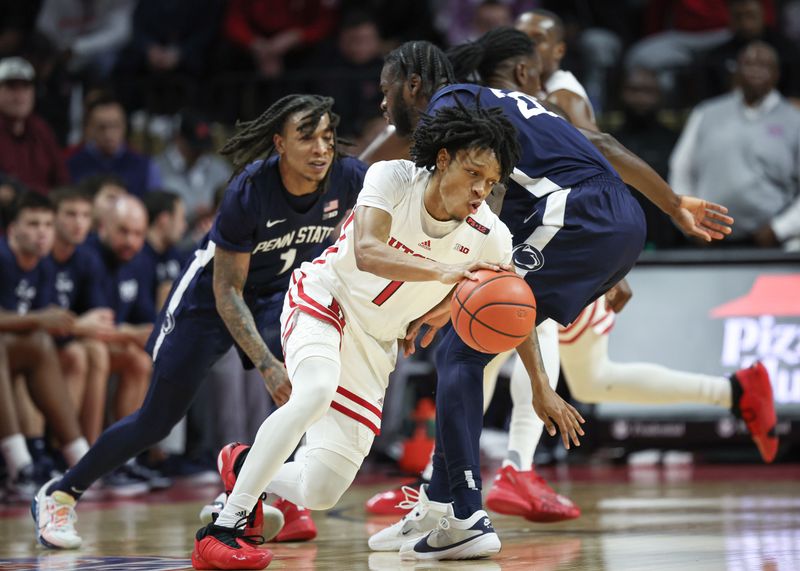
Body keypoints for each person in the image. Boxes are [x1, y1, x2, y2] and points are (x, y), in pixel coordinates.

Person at [364, 40, 749, 561]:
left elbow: (481, 204)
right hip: (617, 217)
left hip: (572, 214)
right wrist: (672, 205)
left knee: (459, 348)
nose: (383, 106)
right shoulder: (497, 101)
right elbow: (605, 144)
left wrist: (443, 289)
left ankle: (466, 515)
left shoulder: (449, 107)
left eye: (386, 92)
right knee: (469, 337)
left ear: (412, 85)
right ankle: (437, 502)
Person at [192, 100, 526, 570]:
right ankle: (224, 527)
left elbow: (507, 302)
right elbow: (368, 250)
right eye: (474, 173)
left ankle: (244, 464)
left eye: (491, 183)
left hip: (376, 342)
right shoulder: (392, 178)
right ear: (445, 157)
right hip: (327, 299)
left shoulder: (491, 234)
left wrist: (438, 310)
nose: (480, 190)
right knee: (314, 391)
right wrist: (449, 273)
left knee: (321, 491)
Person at [31, 94, 367, 552]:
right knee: (156, 420)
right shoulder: (249, 191)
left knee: (310, 383)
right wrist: (266, 364)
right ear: (279, 144)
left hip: (278, 294)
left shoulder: (347, 177)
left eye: (327, 137)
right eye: (306, 137)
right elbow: (227, 292)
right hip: (209, 301)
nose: (321, 149)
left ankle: (260, 491)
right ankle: (60, 493)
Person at [0, 192, 90, 499]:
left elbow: (41, 325)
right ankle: (19, 465)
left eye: (48, 224)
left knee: (40, 344)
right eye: (34, 223)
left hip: (12, 352)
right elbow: (37, 318)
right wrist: (42, 318)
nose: (43, 232)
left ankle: (81, 460)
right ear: (13, 230)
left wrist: (46, 321)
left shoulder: (43, 266)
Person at [670, 41, 800, 247]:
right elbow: (681, 169)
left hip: (772, 242)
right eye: (749, 63)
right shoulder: (706, 112)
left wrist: (781, 228)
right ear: (736, 71)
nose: (756, 69)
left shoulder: (794, 119)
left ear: (777, 74)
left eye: (764, 65)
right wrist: (688, 220)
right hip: (708, 238)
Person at [48, 187, 115, 444]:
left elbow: (101, 318)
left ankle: (90, 453)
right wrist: (78, 325)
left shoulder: (86, 258)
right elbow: (40, 317)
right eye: (71, 214)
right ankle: (60, 448)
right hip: (41, 341)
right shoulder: (42, 256)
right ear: (53, 217)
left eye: (85, 215)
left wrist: (75, 326)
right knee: (77, 355)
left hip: (66, 338)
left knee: (97, 350)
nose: (79, 223)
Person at [67, 94, 162, 198]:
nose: (109, 134)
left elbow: (154, 205)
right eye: (102, 127)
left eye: (115, 126)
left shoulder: (145, 166)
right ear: (89, 128)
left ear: (125, 126)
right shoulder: (72, 165)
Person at [0, 57, 69, 195]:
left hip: (44, 210)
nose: (19, 96)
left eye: (25, 87)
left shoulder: (41, 129)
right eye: (11, 87)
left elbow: (62, 181)